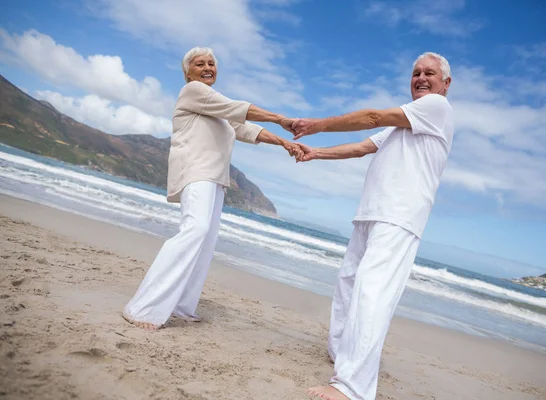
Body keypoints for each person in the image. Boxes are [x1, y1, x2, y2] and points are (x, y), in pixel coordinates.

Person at [292, 52, 454, 400]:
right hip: (371, 213)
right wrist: (315, 152)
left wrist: (318, 124)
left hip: (400, 216)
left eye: (430, 73)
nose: (421, 78)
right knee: (349, 287)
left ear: (446, 84)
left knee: (371, 291)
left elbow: (370, 116)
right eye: (415, 73)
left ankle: (352, 387)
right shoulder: (403, 125)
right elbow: (361, 147)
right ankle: (341, 356)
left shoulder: (437, 109)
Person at [122, 47, 300, 330]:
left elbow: (243, 128)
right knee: (195, 231)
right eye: (199, 63)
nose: (207, 67)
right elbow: (238, 109)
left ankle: (182, 306)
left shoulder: (212, 105)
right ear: (187, 72)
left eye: (212, 63)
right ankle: (143, 307)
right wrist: (281, 118)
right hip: (196, 171)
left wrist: (284, 142)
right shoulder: (194, 91)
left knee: (204, 244)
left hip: (216, 179)